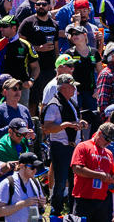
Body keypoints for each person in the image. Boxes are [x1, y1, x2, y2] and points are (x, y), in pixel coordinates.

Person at [42, 72, 87, 215]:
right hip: (60, 148)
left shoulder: (71, 103)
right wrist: (65, 125)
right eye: (72, 86)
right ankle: (55, 212)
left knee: (74, 181)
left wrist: (80, 123)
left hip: (74, 148)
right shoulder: (53, 105)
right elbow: (47, 128)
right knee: (60, 182)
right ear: (64, 87)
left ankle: (74, 211)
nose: (75, 90)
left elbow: (72, 121)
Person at [72, 122, 114, 222]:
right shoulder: (83, 146)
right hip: (84, 198)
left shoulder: (109, 153)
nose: (108, 143)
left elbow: (112, 173)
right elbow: (76, 169)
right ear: (99, 133)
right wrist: (99, 175)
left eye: (111, 141)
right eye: (107, 140)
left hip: (102, 199)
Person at [0, 151, 46, 222]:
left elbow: (43, 208)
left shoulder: (35, 182)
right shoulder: (7, 183)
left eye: (37, 167)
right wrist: (23, 204)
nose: (35, 170)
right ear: (22, 166)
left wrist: (42, 204)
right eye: (32, 167)